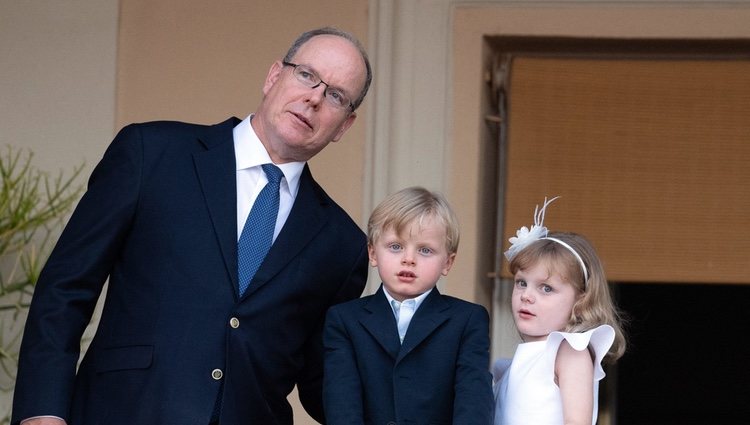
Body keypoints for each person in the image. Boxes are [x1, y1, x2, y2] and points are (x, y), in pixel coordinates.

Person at [11, 27, 372, 425]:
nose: (315, 97)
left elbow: (323, 380)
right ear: (274, 77)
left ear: (344, 126)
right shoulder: (152, 153)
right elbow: (65, 288)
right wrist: (41, 412)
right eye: (306, 74)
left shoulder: (343, 245)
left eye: (336, 95)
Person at [323, 186, 494, 424]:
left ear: (447, 262)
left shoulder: (468, 319)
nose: (408, 259)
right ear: (372, 253)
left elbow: (473, 400)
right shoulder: (344, 320)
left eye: (425, 250)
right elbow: (342, 404)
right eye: (395, 246)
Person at [492, 197, 626, 425]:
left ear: (581, 300)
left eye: (546, 288)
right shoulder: (512, 367)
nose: (526, 295)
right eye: (522, 283)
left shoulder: (568, 351)